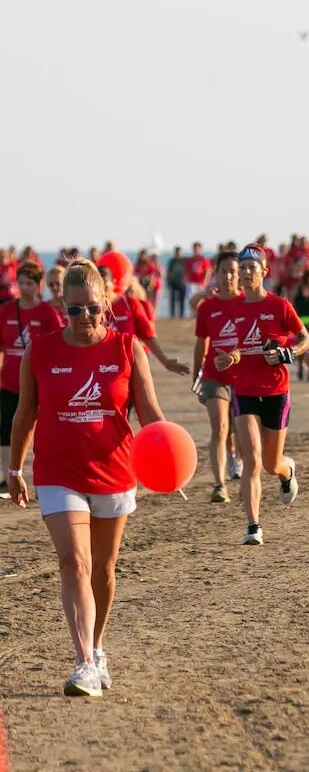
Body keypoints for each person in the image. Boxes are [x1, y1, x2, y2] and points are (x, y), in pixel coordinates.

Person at [8, 259, 167, 697]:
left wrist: (171, 458)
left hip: (115, 469)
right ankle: (83, 664)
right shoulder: (40, 350)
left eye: (93, 308)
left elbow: (151, 414)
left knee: (103, 568)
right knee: (73, 562)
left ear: (107, 302)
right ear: (61, 305)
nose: (84, 317)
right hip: (58, 471)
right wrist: (15, 468)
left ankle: (97, 648)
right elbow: (24, 415)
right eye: (74, 309)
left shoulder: (128, 348)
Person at [216, 245, 309, 545]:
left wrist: (286, 353)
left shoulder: (279, 306)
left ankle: (287, 470)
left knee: (270, 464)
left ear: (264, 272)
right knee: (252, 460)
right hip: (244, 390)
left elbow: (305, 339)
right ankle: (253, 525)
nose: (245, 273)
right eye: (241, 268)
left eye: (250, 268)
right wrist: (230, 357)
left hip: (276, 391)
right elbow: (238, 346)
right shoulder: (235, 308)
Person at [0, 263, 64, 491]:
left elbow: (58, 346)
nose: (24, 287)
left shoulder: (47, 312)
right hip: (9, 382)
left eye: (29, 283)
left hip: (39, 383)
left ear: (39, 285)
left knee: (43, 431)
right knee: (6, 429)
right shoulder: (6, 310)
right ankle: (8, 478)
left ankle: (45, 479)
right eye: (20, 283)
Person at [192, 251, 243, 504]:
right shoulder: (208, 307)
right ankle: (220, 484)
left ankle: (239, 460)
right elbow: (201, 343)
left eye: (233, 272)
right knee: (220, 427)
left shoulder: (247, 303)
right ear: (216, 274)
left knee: (241, 428)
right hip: (215, 376)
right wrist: (196, 375)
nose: (228, 276)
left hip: (244, 376)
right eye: (224, 272)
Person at [184, 243, 211, 309]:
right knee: (191, 299)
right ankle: (192, 312)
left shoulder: (204, 259)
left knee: (201, 300)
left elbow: (208, 271)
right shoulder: (190, 260)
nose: (196, 250)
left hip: (201, 283)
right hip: (191, 283)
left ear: (200, 249)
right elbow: (187, 271)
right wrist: (186, 280)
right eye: (195, 249)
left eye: (197, 249)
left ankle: (199, 312)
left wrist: (206, 281)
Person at [166, 247, 187, 318]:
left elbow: (187, 271)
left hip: (182, 283)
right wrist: (168, 281)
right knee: (172, 299)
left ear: (182, 252)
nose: (178, 254)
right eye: (177, 252)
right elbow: (169, 272)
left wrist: (185, 279)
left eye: (179, 252)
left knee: (182, 299)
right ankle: (172, 314)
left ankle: (181, 314)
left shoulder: (184, 261)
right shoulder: (172, 261)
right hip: (173, 282)